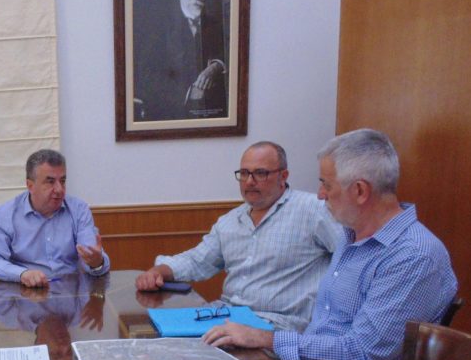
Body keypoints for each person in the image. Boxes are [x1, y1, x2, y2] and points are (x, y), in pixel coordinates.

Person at [203, 129, 458, 360]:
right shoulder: (350, 236)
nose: (321, 195)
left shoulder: (412, 256)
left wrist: (268, 339)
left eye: (327, 185)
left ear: (360, 191)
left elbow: (359, 358)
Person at [135, 141, 341, 331]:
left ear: (283, 176)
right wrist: (161, 270)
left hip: (278, 327)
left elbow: (352, 260)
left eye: (260, 173)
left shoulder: (314, 210)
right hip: (226, 317)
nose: (249, 181)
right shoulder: (230, 221)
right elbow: (198, 260)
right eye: (244, 173)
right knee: (158, 335)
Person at [0, 149, 109, 287]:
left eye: (62, 181)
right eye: (50, 182)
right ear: (30, 186)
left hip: (70, 291)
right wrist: (22, 274)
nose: (59, 189)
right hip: (24, 292)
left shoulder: (79, 210)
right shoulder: (4, 215)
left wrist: (96, 263)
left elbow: (91, 254)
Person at [134, 0, 227, 121]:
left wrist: (216, 65)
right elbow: (145, 76)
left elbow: (227, 53)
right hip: (170, 115)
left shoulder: (215, 25)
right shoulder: (159, 27)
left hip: (211, 115)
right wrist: (188, 92)